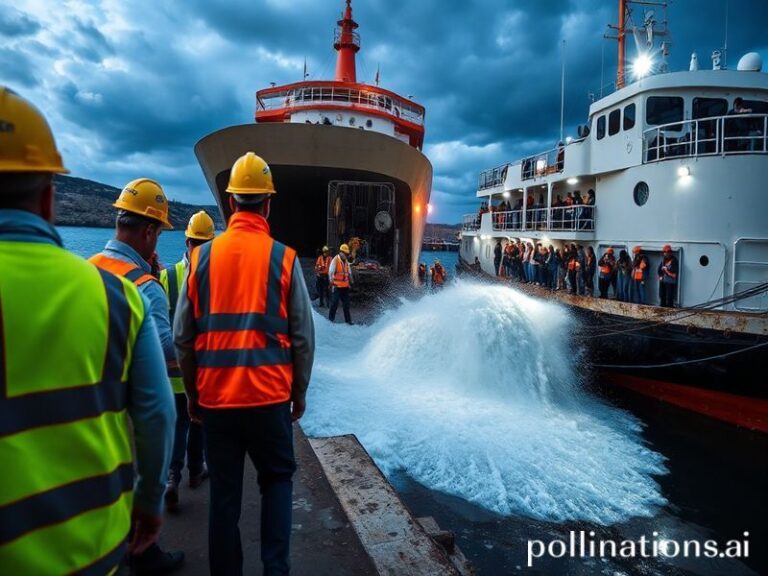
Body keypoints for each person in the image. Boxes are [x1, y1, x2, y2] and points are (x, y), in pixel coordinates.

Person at [0, 87, 175, 574]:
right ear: (48, 196)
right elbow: (157, 414)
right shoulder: (123, 296)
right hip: (91, 547)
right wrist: (150, 503)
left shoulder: (102, 269)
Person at [174, 152, 315, 576]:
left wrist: (194, 395)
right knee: (277, 482)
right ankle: (276, 569)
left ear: (232, 202)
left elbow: (182, 337)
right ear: (268, 205)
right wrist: (298, 393)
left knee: (224, 498)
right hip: (270, 400)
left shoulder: (200, 259)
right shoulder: (284, 259)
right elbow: (303, 337)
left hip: (217, 403)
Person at [89, 177, 184, 572]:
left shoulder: (88, 268)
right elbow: (163, 353)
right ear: (148, 232)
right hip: (127, 411)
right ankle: (145, 553)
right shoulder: (145, 286)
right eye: (157, 233)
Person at [159, 210, 215, 511]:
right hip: (201, 369)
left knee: (178, 421)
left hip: (170, 368)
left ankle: (172, 476)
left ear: (186, 241)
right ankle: (195, 471)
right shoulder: (215, 280)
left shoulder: (166, 276)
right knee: (198, 422)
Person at [328, 243, 354, 324]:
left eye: (347, 254)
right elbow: (331, 273)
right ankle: (330, 320)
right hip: (337, 286)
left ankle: (348, 321)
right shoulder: (335, 260)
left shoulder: (346, 261)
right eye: (345, 254)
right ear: (341, 252)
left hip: (345, 287)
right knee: (334, 304)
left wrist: (351, 281)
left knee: (346, 305)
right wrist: (331, 283)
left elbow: (349, 272)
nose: (346, 255)